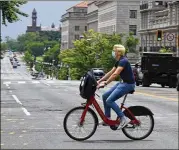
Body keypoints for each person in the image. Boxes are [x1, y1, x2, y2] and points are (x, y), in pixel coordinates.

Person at [97, 44, 135, 129]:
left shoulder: (123, 61)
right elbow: (110, 73)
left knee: (109, 101)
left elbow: (115, 74)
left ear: (119, 52)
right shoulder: (118, 61)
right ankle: (107, 118)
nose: (113, 52)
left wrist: (106, 83)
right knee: (105, 96)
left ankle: (123, 118)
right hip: (122, 83)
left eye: (114, 51)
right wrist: (99, 81)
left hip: (128, 85)